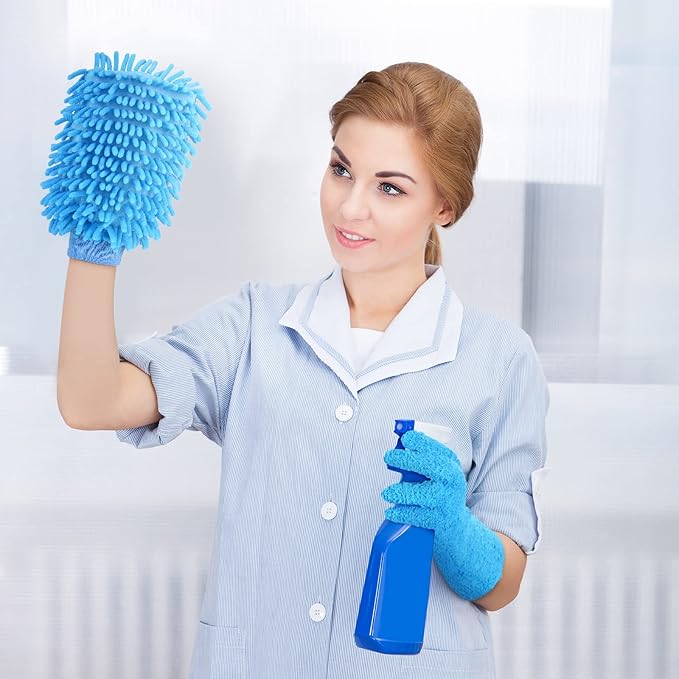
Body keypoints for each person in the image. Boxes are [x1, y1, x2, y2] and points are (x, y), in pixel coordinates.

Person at [57, 62, 550, 679]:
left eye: (389, 188)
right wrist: (96, 238)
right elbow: (92, 401)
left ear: (444, 206)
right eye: (342, 169)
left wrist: (455, 530)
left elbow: (502, 585)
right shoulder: (254, 326)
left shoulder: (499, 358)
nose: (351, 206)